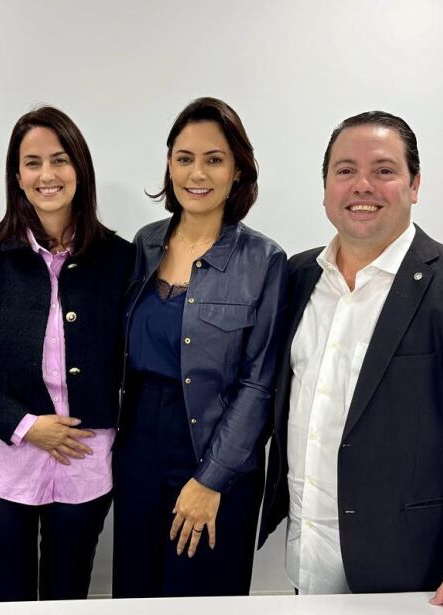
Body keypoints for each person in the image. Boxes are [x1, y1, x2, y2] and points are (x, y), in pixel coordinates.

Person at [259, 111, 443, 611]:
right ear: (324, 187)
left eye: (384, 170)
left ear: (414, 185)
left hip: (416, 575)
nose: (362, 185)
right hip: (308, 558)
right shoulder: (296, 276)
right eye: (344, 170)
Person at [0, 106, 134, 601]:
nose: (47, 175)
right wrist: (28, 425)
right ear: (17, 176)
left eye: (60, 159)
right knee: (8, 598)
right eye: (32, 163)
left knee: (67, 596)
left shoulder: (120, 258)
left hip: (85, 461)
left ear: (80, 170)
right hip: (0, 458)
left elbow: (131, 360)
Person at [112, 97, 287, 598]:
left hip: (216, 444)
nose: (197, 173)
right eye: (184, 158)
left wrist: (211, 479)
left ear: (237, 172)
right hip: (140, 440)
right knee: (136, 591)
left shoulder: (263, 259)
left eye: (214, 159)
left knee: (202, 594)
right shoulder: (145, 244)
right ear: (169, 165)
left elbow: (259, 383)